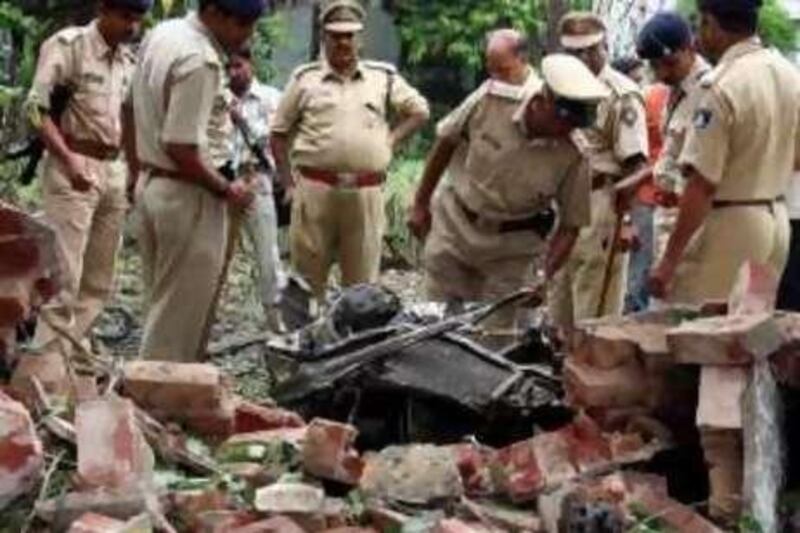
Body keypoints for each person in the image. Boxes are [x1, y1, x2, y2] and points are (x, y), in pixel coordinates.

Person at [647, 0, 800, 523]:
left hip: (732, 222)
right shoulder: (786, 72)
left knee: (712, 355)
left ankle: (717, 493)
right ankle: (764, 479)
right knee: (757, 353)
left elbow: (702, 186)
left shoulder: (723, 86)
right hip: (774, 216)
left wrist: (667, 263)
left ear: (711, 24)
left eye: (701, 24)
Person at [408, 54, 608, 322]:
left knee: (494, 344)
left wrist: (544, 275)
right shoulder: (490, 100)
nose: (568, 131)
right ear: (540, 103)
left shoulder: (574, 154)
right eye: (565, 121)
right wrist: (420, 203)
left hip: (511, 254)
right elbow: (446, 141)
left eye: (576, 124)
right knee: (433, 329)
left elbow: (571, 226)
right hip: (453, 232)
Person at [24, 0, 151, 384]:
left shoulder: (129, 62)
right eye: (125, 16)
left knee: (99, 280)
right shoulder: (70, 46)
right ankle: (43, 372)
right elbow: (35, 109)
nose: (131, 26)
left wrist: (133, 171)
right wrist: (68, 160)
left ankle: (71, 359)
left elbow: (132, 122)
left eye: (137, 18)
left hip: (113, 169)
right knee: (65, 276)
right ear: (103, 9)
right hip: (73, 163)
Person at [270, 0, 429, 304]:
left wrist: (391, 140)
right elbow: (278, 134)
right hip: (315, 191)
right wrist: (289, 184)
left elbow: (419, 111)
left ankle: (354, 347)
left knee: (362, 285)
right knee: (305, 280)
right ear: (324, 37)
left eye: (350, 35)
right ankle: (302, 344)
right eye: (335, 35)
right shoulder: (305, 79)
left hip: (365, 193)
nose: (343, 42)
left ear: (361, 38)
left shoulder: (382, 78)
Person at [131, 0, 264, 362]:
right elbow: (181, 145)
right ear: (216, 13)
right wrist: (226, 188)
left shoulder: (162, 35)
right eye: (244, 24)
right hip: (190, 194)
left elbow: (128, 108)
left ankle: (156, 400)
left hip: (153, 183)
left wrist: (135, 175)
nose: (247, 35)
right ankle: (154, 405)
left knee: (161, 307)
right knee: (176, 324)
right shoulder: (199, 59)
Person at [548, 12, 649, 333]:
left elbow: (637, 166)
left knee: (594, 312)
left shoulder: (621, 94)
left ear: (603, 45)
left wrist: (626, 219)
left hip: (600, 203)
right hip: (562, 205)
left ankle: (590, 376)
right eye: (574, 52)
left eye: (589, 50)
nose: (582, 58)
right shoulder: (560, 87)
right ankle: (559, 374)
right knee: (558, 302)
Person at [637, 12, 711, 264]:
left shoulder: (709, 90)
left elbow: (704, 172)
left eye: (669, 62)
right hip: (667, 212)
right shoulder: (675, 90)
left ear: (690, 48)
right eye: (655, 65)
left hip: (693, 221)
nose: (662, 73)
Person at [227, 47, 287, 333]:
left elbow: (271, 138)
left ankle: (279, 325)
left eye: (238, 65)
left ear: (250, 64)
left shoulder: (271, 98)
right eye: (228, 67)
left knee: (267, 256)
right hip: (221, 182)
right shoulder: (217, 97)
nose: (232, 72)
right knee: (211, 256)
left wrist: (241, 120)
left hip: (255, 179)